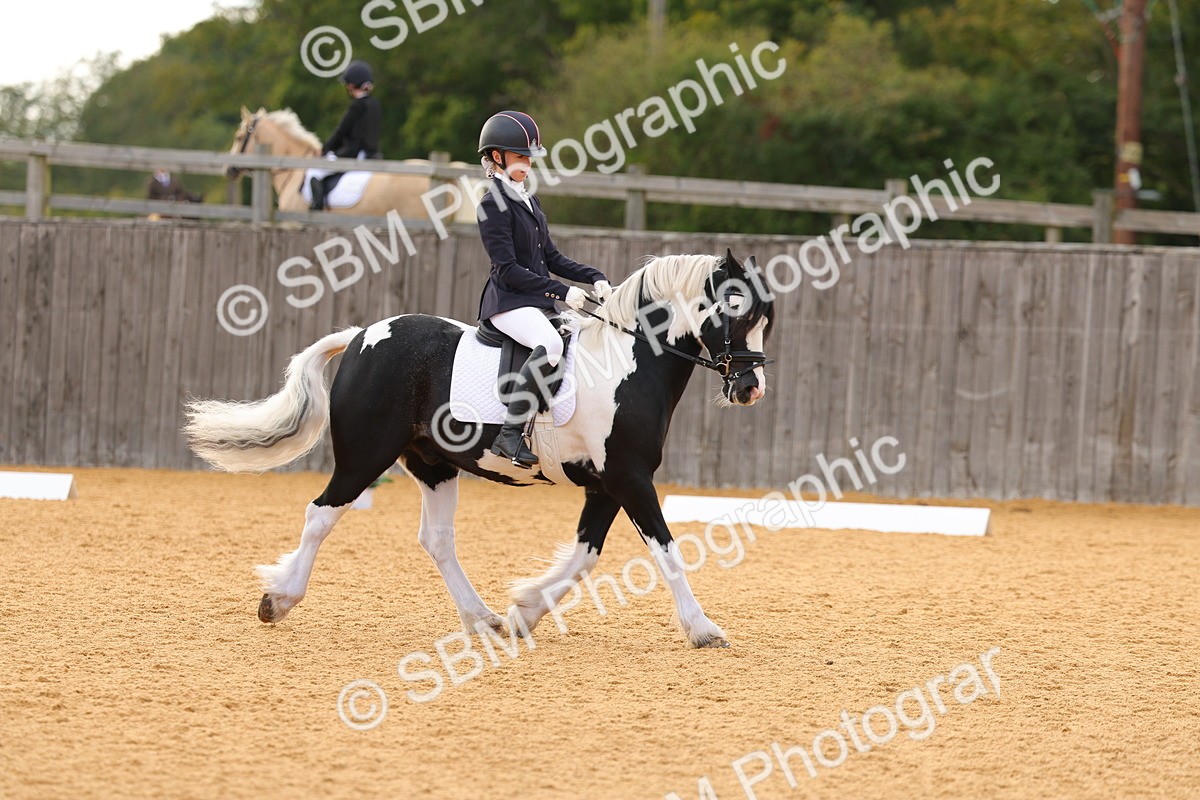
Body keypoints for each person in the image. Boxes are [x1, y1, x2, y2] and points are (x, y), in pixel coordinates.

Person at [475, 110, 612, 468]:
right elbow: (506, 270)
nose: (526, 164)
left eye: (528, 158)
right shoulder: (492, 205)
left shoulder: (528, 201)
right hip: (507, 302)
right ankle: (509, 434)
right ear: (495, 158)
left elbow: (551, 256)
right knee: (550, 344)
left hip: (533, 300)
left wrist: (592, 276)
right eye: (519, 156)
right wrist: (561, 292)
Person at [310, 60, 382, 210]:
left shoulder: (357, 106)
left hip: (354, 154)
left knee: (315, 171)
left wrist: (325, 150)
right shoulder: (375, 104)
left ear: (351, 86)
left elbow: (341, 131)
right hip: (373, 154)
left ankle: (317, 207)